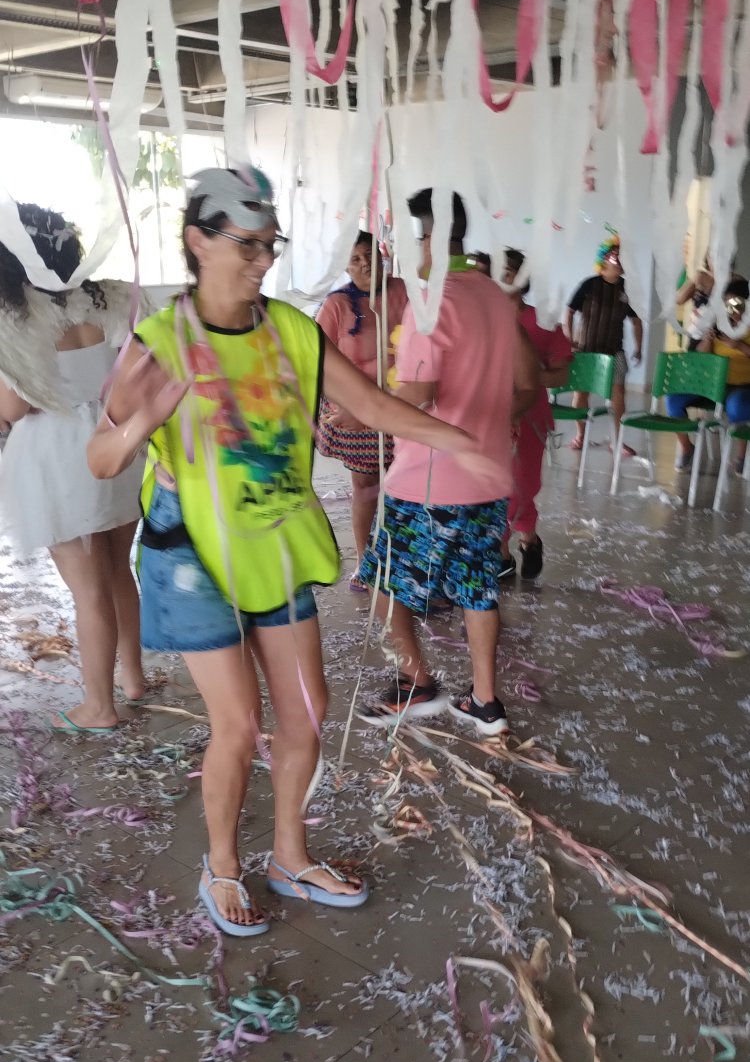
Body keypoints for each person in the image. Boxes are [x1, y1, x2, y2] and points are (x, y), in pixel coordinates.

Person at [88, 166, 483, 937]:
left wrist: (459, 440)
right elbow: (101, 458)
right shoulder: (159, 340)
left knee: (308, 710)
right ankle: (222, 863)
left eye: (272, 244)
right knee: (238, 723)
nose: (264, 259)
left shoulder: (292, 330)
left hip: (277, 542)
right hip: (193, 554)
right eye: (248, 243)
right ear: (199, 240)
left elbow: (365, 403)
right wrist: (142, 425)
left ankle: (289, 855)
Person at [358, 189, 539, 737]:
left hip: (428, 478)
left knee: (383, 579)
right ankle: (485, 702)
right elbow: (529, 387)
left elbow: (419, 392)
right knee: (479, 588)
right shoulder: (493, 295)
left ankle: (418, 683)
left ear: (429, 238)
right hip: (487, 474)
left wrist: (358, 406)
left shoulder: (432, 300)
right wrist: (483, 424)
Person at [0, 204, 146, 732]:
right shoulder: (107, 300)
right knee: (117, 570)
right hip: (116, 443)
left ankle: (98, 705)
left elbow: (12, 407)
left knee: (87, 590)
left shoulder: (18, 319)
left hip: (59, 458)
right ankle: (132, 676)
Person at [316, 232, 407, 591]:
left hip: (404, 406)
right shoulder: (336, 306)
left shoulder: (405, 292)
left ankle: (403, 561)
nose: (364, 263)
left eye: (369, 254)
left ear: (384, 255)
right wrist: (344, 406)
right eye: (354, 259)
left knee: (405, 487)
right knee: (366, 487)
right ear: (345, 265)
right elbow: (316, 361)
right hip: (357, 410)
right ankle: (365, 559)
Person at [499, 249, 572, 581]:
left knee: (523, 484)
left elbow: (560, 375)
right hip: (489, 415)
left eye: (509, 270)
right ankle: (504, 551)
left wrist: (525, 376)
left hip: (530, 416)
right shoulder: (479, 318)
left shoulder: (542, 321)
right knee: (495, 485)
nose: (502, 276)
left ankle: (522, 540)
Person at [563, 235, 643, 456]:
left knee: (618, 392)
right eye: (614, 256)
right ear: (604, 260)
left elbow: (636, 320)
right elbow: (568, 312)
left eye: (622, 257)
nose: (618, 261)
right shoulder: (589, 285)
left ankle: (617, 440)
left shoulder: (628, 289)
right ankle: (580, 435)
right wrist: (569, 338)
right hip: (586, 349)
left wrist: (639, 346)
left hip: (614, 351)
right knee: (581, 394)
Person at [667, 277, 750, 475]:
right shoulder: (718, 322)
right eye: (727, 304)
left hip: (741, 385)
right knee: (673, 399)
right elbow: (702, 356)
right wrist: (707, 340)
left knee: (737, 407)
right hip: (712, 383)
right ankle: (687, 448)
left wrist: (738, 345)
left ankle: (741, 456)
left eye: (736, 304)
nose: (732, 310)